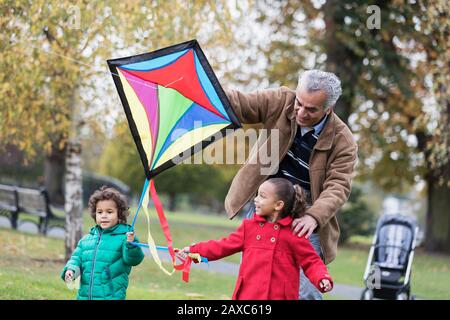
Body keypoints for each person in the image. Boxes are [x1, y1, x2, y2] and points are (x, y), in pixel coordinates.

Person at [224, 70, 358, 299]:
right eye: (299, 103)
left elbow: (338, 186)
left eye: (311, 109)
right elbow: (240, 103)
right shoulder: (281, 101)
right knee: (256, 285)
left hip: (306, 213)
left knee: (306, 292)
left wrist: (314, 217)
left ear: (328, 109)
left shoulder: (343, 141)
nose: (301, 112)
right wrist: (203, 89)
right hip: (268, 203)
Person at [180, 178, 333, 300]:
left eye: (262, 196)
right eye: (257, 195)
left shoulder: (294, 234)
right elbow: (224, 246)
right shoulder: (249, 227)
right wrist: (195, 250)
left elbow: (311, 261)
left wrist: (322, 278)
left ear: (278, 205)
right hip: (248, 295)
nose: (256, 199)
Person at [61, 186, 144, 300]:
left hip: (111, 296)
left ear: (119, 214)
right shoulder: (86, 240)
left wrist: (131, 244)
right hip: (85, 296)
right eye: (99, 212)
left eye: (109, 212)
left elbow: (134, 259)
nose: (104, 215)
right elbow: (76, 259)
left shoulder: (125, 238)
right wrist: (71, 270)